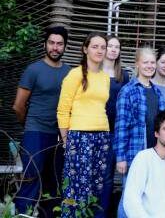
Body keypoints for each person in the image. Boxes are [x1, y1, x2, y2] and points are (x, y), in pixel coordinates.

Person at [13, 26, 70, 217]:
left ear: (65, 46)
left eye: (59, 44)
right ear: (45, 44)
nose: (55, 47)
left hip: (60, 135)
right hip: (35, 132)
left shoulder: (70, 73)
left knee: (53, 183)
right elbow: (18, 106)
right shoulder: (34, 70)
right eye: (51, 43)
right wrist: (29, 126)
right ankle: (24, 215)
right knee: (31, 179)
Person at [57, 33, 110, 218]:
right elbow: (63, 110)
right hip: (79, 136)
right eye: (95, 46)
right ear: (85, 49)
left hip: (102, 136)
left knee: (95, 189)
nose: (99, 50)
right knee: (75, 188)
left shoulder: (105, 77)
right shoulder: (75, 74)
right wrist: (66, 141)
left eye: (103, 47)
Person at [114, 46, 165, 218]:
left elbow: (164, 126)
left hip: (155, 155)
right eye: (145, 62)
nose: (150, 66)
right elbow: (121, 125)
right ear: (137, 64)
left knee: (149, 199)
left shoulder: (158, 92)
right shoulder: (128, 90)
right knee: (130, 199)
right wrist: (120, 158)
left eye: (152, 62)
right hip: (134, 154)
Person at [102, 35, 130, 217]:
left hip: (116, 132)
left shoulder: (124, 75)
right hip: (96, 130)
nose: (113, 50)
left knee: (109, 179)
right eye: (110, 46)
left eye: (116, 47)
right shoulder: (94, 72)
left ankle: (104, 213)